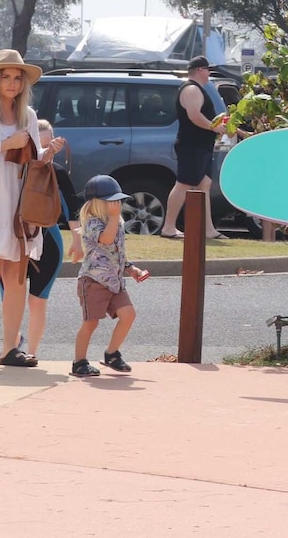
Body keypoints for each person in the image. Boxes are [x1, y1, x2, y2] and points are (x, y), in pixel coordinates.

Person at [0, 49, 65, 368]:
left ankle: (10, 348)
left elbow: (32, 160)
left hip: (18, 207)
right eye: (5, 76)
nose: (12, 82)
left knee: (16, 278)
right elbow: (9, 149)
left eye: (17, 77)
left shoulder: (29, 116)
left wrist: (47, 153)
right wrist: (4, 145)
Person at [0, 119, 82, 359]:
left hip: (48, 241)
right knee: (9, 299)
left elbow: (71, 207)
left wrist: (77, 239)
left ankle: (32, 352)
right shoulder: (12, 169)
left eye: (49, 147)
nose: (45, 153)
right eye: (40, 146)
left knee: (38, 301)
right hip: (14, 238)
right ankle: (12, 346)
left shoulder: (56, 173)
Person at [71, 174, 149, 377]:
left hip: (114, 282)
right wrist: (114, 218)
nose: (117, 204)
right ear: (97, 203)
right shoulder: (91, 223)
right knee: (91, 322)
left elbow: (117, 252)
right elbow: (105, 240)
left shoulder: (118, 223)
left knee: (128, 315)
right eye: (112, 201)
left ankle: (112, 354)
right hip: (94, 282)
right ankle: (79, 362)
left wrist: (131, 269)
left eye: (118, 200)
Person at [160, 55, 226, 240]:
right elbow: (194, 116)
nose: (209, 74)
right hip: (192, 146)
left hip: (203, 146)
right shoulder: (191, 89)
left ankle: (207, 229)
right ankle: (169, 227)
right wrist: (214, 127)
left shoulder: (198, 89)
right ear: (200, 70)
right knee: (183, 184)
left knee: (204, 184)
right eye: (207, 70)